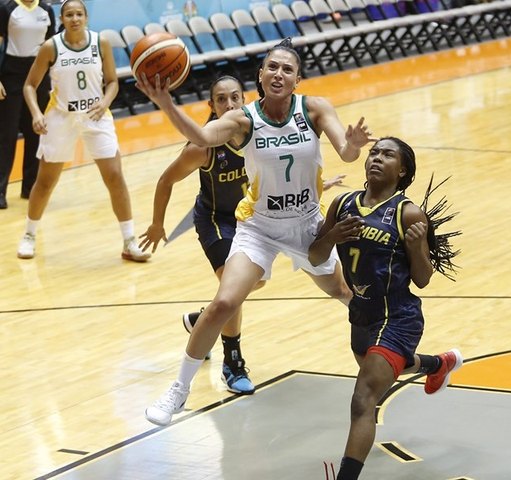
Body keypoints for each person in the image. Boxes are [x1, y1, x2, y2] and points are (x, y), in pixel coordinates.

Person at [137, 38, 373, 426]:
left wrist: (354, 145)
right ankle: (178, 391)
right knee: (223, 304)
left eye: (287, 69)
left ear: (297, 79)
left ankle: (380, 367)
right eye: (272, 68)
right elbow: (202, 137)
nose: (279, 74)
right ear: (260, 76)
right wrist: (166, 104)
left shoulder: (313, 109)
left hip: (307, 227)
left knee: (345, 294)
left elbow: (346, 153)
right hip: (259, 228)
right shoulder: (241, 120)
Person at [309, 137, 462, 480]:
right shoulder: (342, 203)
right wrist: (331, 236)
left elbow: (422, 280)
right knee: (381, 370)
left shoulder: (407, 213)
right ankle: (439, 363)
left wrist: (418, 246)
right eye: (374, 152)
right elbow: (315, 257)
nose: (376, 158)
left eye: (387, 154)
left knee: (363, 398)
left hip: (398, 317)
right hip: (362, 314)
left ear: (402, 169)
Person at [16, 0, 149, 262]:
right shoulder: (50, 47)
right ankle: (29, 235)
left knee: (115, 176)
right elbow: (30, 86)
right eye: (69, 14)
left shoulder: (101, 43)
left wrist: (105, 101)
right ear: (62, 18)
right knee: (45, 181)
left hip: (95, 115)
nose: (74, 18)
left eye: (79, 14)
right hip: (61, 117)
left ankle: (129, 240)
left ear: (86, 17)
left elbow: (112, 82)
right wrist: (36, 113)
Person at [0, 0, 55, 209]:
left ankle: (30, 188)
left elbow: (50, 47)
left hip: (39, 73)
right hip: (11, 74)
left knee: (36, 130)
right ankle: (0, 191)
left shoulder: (47, 10)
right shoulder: (6, 8)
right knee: (7, 134)